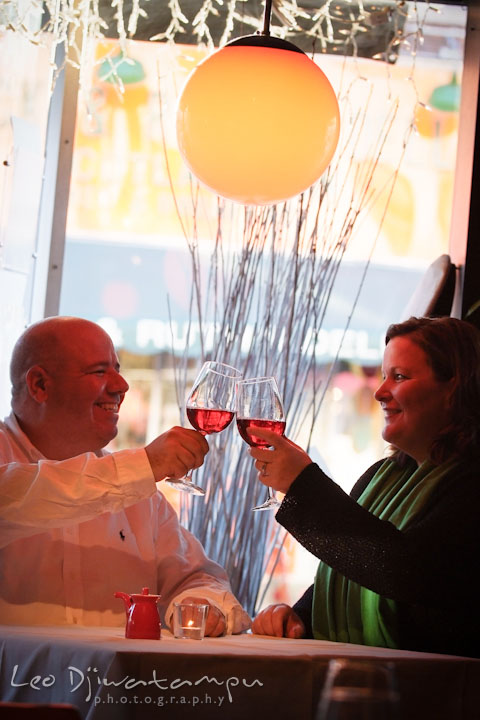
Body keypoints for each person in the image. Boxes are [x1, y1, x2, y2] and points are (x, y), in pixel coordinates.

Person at [0, 316, 250, 636]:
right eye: (100, 371)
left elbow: (197, 577)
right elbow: (22, 495)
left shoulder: (141, 497)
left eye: (118, 369)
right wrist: (145, 464)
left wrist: (198, 605)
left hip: (119, 686)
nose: (121, 385)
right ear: (40, 385)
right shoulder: (131, 478)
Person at [249, 316, 480, 657]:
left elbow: (409, 571)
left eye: (399, 377)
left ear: (454, 388)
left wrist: (303, 484)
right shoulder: (381, 475)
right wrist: (298, 616)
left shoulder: (470, 480)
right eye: (385, 376)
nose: (379, 392)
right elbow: (349, 573)